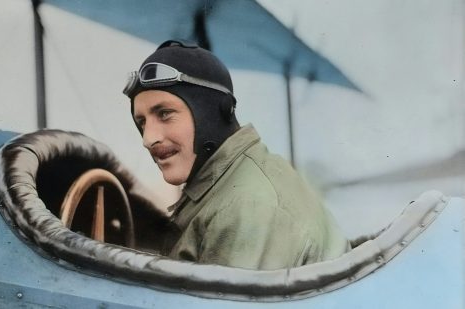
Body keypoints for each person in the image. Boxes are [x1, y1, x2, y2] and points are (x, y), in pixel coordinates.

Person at [123, 39, 350, 270]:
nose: (148, 138)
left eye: (164, 114)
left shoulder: (246, 205)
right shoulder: (228, 182)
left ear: (210, 114)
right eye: (141, 122)